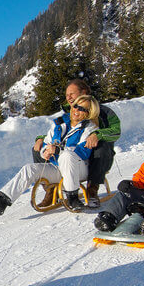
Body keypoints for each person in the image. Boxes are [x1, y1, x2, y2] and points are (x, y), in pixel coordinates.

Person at [0, 95, 100, 214]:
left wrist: (58, 151)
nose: (77, 110)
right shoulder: (60, 124)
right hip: (58, 168)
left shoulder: (89, 128)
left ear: (89, 113)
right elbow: (46, 143)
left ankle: (73, 198)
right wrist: (45, 152)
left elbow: (82, 152)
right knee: (29, 169)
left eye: (83, 109)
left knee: (67, 156)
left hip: (79, 168)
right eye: (76, 106)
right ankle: (2, 201)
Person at [32, 79, 121, 207]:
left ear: (84, 92)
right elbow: (62, 133)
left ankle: (92, 189)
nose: (68, 97)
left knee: (101, 146)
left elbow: (116, 131)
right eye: (67, 94)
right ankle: (51, 189)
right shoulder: (70, 112)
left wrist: (98, 134)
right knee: (38, 149)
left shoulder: (104, 113)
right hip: (72, 155)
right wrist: (41, 139)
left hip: (93, 156)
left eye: (72, 94)